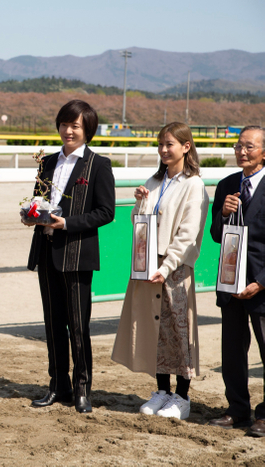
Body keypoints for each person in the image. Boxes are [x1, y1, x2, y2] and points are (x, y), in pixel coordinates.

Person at [111, 122, 209, 420]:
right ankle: (162, 391)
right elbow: (139, 224)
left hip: (174, 268)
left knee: (179, 330)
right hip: (147, 265)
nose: (164, 150)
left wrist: (166, 267)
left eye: (170, 144)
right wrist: (140, 203)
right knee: (155, 330)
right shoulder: (154, 180)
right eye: (160, 144)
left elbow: (188, 234)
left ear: (186, 147)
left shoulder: (194, 184)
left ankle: (182, 396)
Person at [24, 100, 115, 413]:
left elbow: (106, 212)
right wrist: (31, 215)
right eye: (64, 124)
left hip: (77, 255)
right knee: (52, 325)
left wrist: (67, 223)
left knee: (78, 326)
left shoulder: (98, 164)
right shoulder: (47, 162)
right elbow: (38, 200)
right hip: (46, 252)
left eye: (75, 126)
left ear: (88, 130)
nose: (68, 131)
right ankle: (58, 385)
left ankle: (82, 389)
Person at [208, 125, 265, 436]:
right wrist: (224, 214)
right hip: (230, 283)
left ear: (264, 152)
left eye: (249, 147)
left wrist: (261, 281)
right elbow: (217, 235)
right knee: (232, 353)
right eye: (238, 146)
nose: (242, 152)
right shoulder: (227, 185)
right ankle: (237, 409)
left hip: (261, 285)